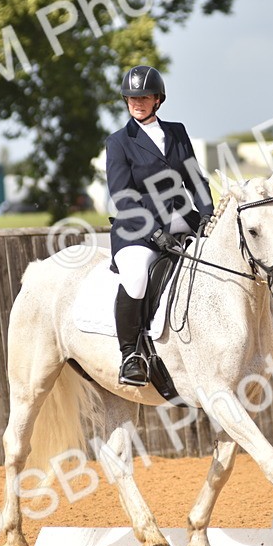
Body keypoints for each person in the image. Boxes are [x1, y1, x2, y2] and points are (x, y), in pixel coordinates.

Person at [106, 65, 214, 387]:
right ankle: (131, 355)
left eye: (144, 96)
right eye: (131, 97)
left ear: (157, 99)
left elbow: (194, 177)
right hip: (137, 229)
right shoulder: (119, 142)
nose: (137, 102)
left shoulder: (177, 133)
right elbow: (123, 197)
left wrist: (208, 214)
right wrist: (154, 233)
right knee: (137, 276)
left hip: (183, 222)